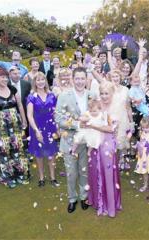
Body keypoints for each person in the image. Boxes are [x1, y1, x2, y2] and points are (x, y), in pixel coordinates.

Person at [0, 67, 29, 188]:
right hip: (1, 126)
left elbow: (20, 105)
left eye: (6, 76)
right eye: (2, 77)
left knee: (19, 147)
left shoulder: (12, 88)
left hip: (16, 123)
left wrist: (24, 119)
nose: (5, 79)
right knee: (4, 150)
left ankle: (21, 174)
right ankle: (8, 177)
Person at [55, 67, 90, 213]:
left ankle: (84, 197)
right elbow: (58, 118)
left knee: (84, 172)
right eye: (77, 78)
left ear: (86, 79)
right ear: (73, 79)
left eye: (83, 78)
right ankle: (72, 199)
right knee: (71, 173)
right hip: (69, 142)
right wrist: (76, 125)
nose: (80, 81)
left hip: (87, 142)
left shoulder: (91, 95)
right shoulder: (64, 96)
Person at [87, 81, 122, 217]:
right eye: (102, 93)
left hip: (107, 144)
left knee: (107, 174)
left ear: (112, 94)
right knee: (95, 171)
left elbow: (110, 128)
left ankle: (110, 206)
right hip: (95, 143)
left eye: (106, 93)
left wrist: (92, 126)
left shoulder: (115, 108)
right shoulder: (97, 105)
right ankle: (98, 201)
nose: (104, 96)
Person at [27, 72, 59, 187]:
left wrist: (57, 127)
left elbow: (55, 113)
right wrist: (36, 130)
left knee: (52, 153)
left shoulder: (52, 95)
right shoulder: (31, 97)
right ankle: (41, 177)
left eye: (42, 80)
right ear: (34, 82)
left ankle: (53, 177)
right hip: (37, 128)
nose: (40, 82)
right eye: (38, 80)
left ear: (45, 81)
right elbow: (29, 115)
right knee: (39, 154)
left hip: (50, 128)